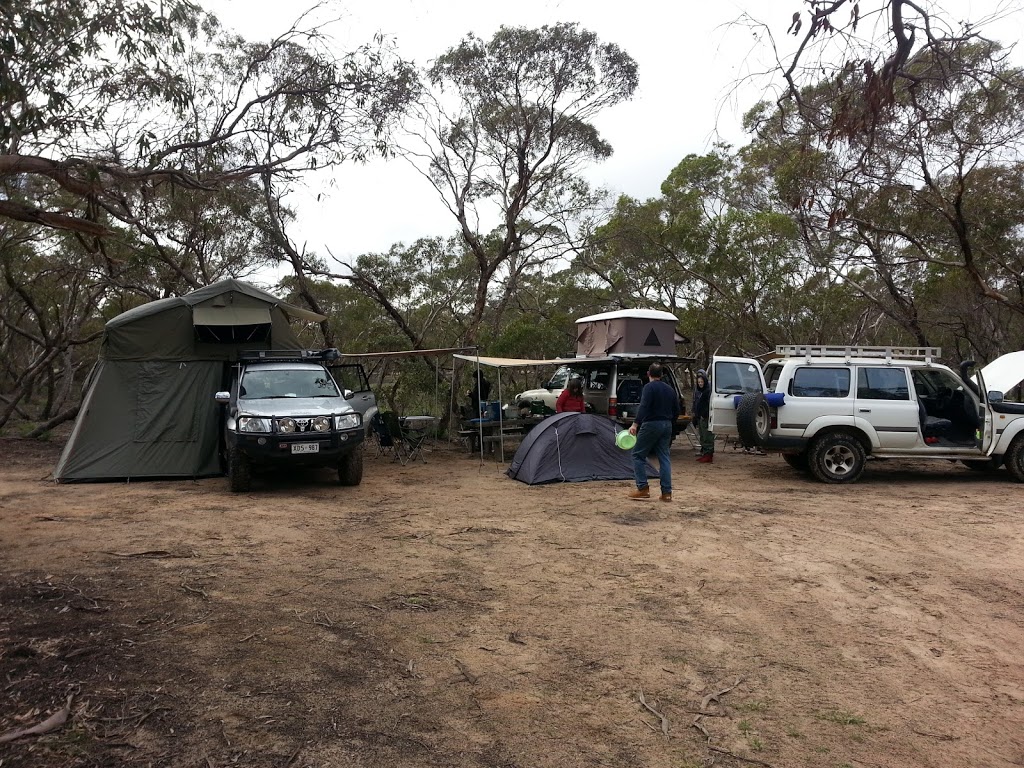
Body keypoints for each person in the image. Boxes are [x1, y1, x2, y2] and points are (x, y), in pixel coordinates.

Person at [628, 363, 679, 502]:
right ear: (661, 375)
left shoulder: (648, 388)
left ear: (648, 373)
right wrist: (671, 424)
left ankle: (642, 487)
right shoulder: (670, 389)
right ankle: (666, 493)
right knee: (664, 457)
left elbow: (644, 406)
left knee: (638, 455)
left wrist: (635, 424)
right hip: (667, 424)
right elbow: (677, 409)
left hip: (651, 423)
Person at [692, 368, 714, 463]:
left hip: (705, 416)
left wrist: (704, 414)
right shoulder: (698, 391)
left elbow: (708, 405)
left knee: (707, 436)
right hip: (699, 416)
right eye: (699, 382)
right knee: (702, 435)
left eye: (702, 382)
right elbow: (695, 403)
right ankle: (704, 452)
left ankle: (708, 454)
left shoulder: (708, 391)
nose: (700, 383)